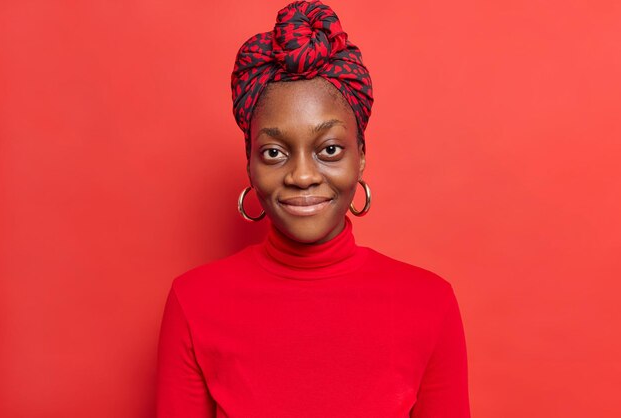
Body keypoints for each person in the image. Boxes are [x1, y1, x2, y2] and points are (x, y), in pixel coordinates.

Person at [155, 1, 471, 417]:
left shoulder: (430, 303)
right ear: (249, 162)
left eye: (330, 149)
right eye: (273, 152)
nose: (302, 175)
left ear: (360, 156)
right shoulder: (193, 301)